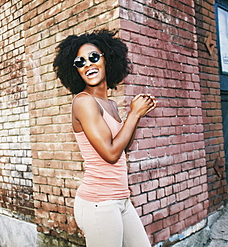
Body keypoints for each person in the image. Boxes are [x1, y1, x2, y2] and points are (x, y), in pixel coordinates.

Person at [53, 29, 156, 247]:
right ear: (76, 71)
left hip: (121, 199)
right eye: (80, 62)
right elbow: (110, 154)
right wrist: (135, 114)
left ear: (107, 59)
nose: (88, 65)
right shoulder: (83, 102)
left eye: (93, 57)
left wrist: (132, 116)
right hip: (99, 203)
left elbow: (123, 148)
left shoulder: (111, 104)